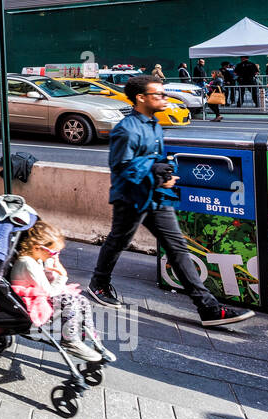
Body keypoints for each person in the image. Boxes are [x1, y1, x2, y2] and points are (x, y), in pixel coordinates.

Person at [87, 76, 254, 327]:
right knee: (118, 240)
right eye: (159, 94)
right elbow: (122, 167)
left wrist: (163, 172)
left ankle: (208, 309)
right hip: (132, 199)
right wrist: (157, 174)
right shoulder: (127, 129)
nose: (165, 98)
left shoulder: (154, 124)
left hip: (156, 197)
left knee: (177, 248)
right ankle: (98, 283)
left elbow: (151, 159)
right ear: (141, 98)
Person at [10, 221, 115, 363]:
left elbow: (48, 285)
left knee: (82, 301)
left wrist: (54, 268)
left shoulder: (36, 259)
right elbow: (49, 292)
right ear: (37, 248)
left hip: (41, 295)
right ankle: (70, 340)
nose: (55, 255)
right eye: (53, 252)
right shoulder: (28, 263)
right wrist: (62, 275)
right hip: (30, 303)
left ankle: (92, 341)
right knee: (69, 300)